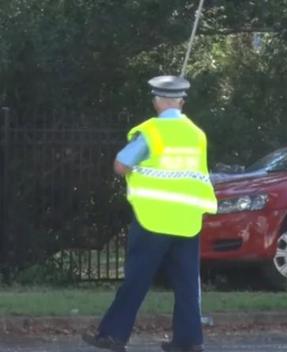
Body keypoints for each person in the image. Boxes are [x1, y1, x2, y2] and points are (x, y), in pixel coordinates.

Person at [82, 75, 217, 352]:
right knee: (188, 285)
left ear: (156, 101)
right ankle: (189, 341)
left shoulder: (153, 132)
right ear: (181, 101)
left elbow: (121, 164)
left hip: (153, 218)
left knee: (137, 280)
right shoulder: (197, 134)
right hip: (187, 219)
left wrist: (140, 173)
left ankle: (113, 336)